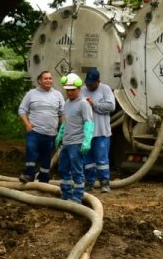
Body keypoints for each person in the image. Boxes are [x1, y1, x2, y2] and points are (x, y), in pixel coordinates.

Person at [18, 70, 64, 184]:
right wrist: (27, 124)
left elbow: (62, 113)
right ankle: (29, 175)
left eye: (50, 78)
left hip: (51, 133)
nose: (48, 80)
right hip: (35, 132)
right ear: (40, 81)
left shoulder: (57, 95)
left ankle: (43, 179)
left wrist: (63, 130)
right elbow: (22, 110)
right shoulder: (31, 94)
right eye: (45, 78)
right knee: (31, 149)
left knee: (46, 157)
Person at [55, 73, 93, 203]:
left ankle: (77, 196)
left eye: (72, 90)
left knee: (77, 170)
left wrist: (87, 141)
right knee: (63, 168)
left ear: (79, 89)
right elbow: (66, 121)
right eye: (67, 90)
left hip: (76, 143)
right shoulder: (67, 103)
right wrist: (60, 134)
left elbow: (89, 122)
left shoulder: (83, 104)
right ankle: (66, 193)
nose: (70, 92)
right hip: (66, 143)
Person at [80, 68, 116, 193]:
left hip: (101, 131)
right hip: (86, 133)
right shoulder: (83, 90)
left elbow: (111, 106)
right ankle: (89, 183)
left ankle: (104, 183)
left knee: (102, 160)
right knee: (88, 160)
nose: (88, 86)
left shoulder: (105, 89)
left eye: (91, 84)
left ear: (98, 81)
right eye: (87, 83)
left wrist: (94, 104)